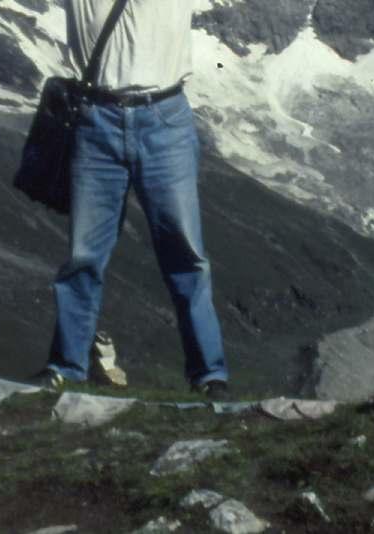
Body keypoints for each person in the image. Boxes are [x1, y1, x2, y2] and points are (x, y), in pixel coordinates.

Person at [33, 0, 230, 400]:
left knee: (184, 253)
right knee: (85, 256)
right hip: (97, 118)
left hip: (163, 116)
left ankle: (210, 375)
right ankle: (66, 368)